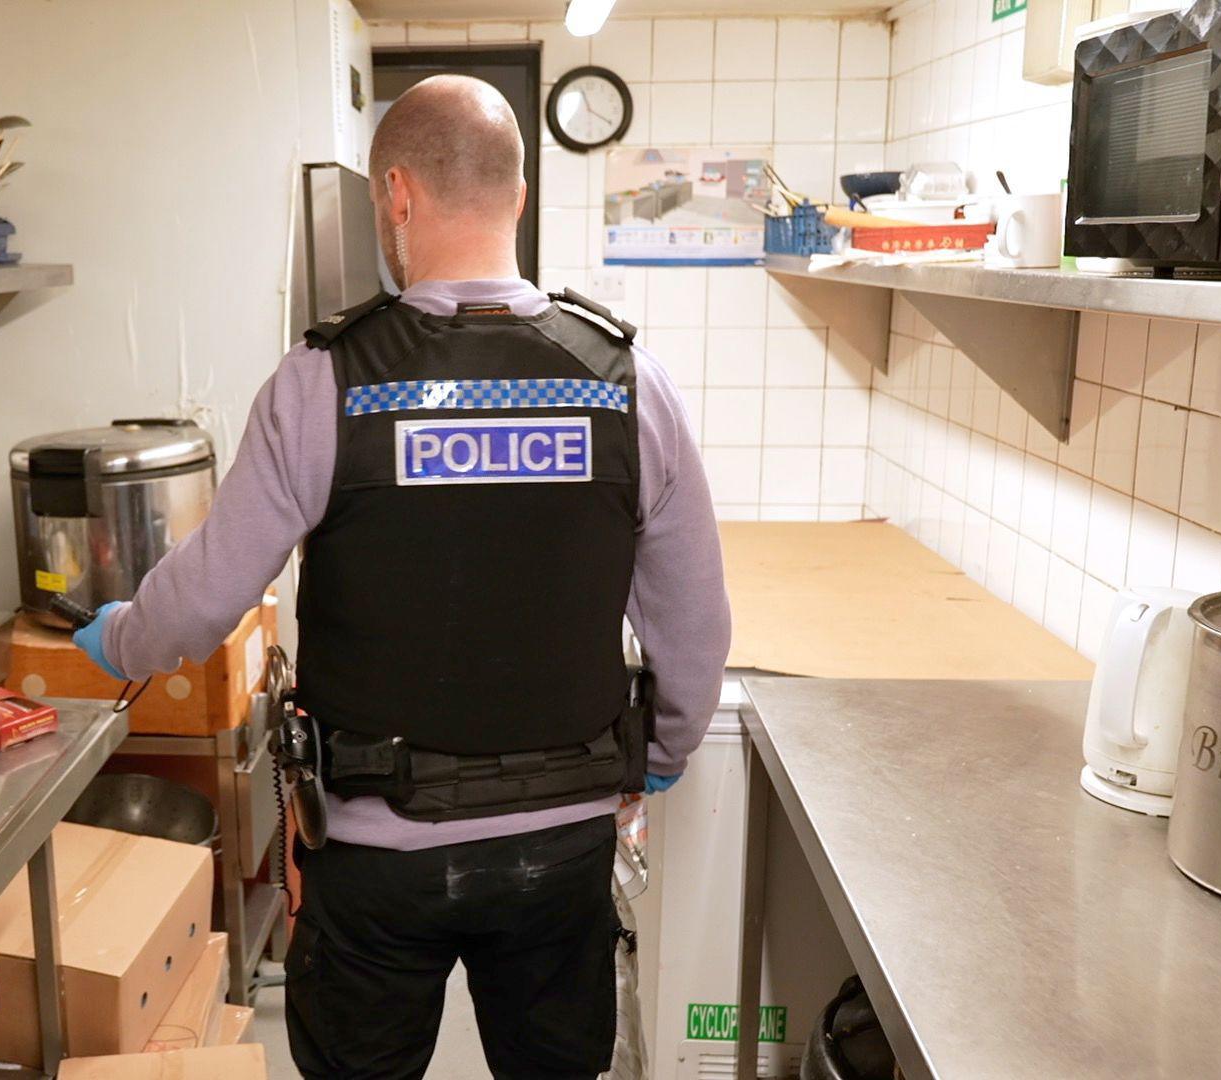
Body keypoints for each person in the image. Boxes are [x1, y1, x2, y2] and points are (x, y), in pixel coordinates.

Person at [74, 74, 729, 1080]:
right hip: (560, 849)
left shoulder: (322, 383)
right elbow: (693, 624)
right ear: (517, 196)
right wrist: (666, 750)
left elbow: (204, 600)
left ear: (396, 195)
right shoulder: (627, 383)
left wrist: (119, 635)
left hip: (376, 855)